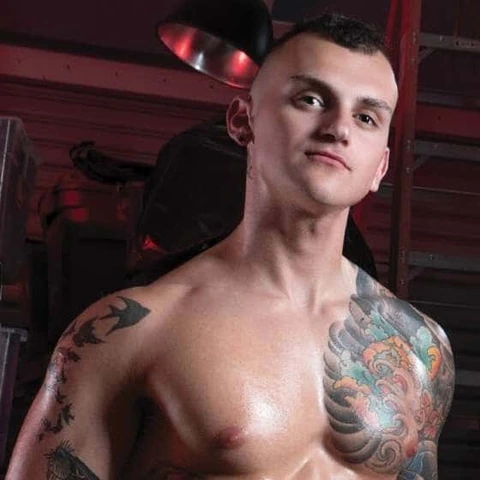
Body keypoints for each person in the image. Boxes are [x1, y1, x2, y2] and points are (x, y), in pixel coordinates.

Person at [7, 13, 454, 480]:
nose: (339, 128)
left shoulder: (418, 347)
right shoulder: (132, 332)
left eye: (366, 117)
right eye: (310, 99)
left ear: (381, 165)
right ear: (243, 121)